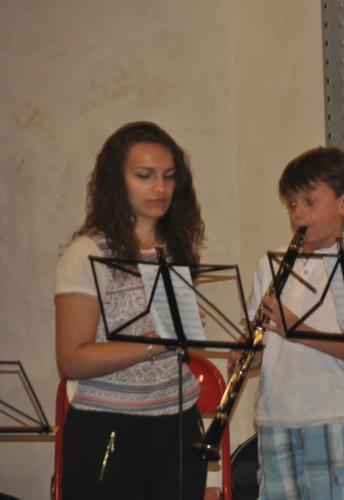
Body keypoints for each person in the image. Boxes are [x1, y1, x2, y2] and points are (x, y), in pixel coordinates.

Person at [55, 121, 207, 499]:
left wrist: (191, 331)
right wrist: (154, 344)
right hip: (110, 427)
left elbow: (184, 350)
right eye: (144, 176)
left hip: (178, 424)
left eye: (169, 176)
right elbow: (72, 360)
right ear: (116, 182)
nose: (160, 188)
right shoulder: (88, 252)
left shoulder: (175, 249)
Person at [246, 146, 344, 499]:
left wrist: (298, 330)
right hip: (274, 416)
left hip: (333, 417)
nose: (298, 213)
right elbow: (261, 343)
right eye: (292, 204)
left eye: (310, 202)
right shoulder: (272, 264)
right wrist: (247, 356)